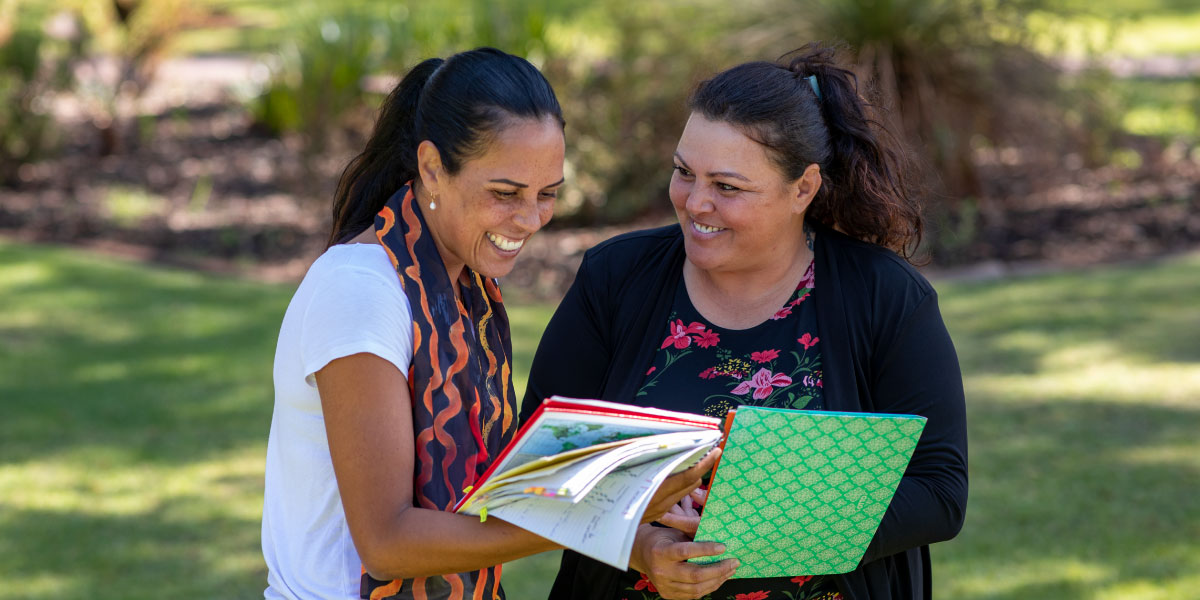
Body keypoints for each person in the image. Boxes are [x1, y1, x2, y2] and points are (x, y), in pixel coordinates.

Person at [260, 47, 719, 600]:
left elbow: (498, 499)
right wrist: (605, 507)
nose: (530, 219)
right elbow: (387, 541)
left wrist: (639, 530)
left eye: (547, 194)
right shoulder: (361, 291)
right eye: (505, 194)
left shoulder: (467, 288)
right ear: (432, 168)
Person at [521, 43, 968, 600]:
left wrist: (749, 528)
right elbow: (538, 466)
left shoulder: (885, 297)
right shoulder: (615, 278)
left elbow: (938, 491)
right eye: (684, 172)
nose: (695, 203)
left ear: (802, 189)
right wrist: (641, 545)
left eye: (727, 187)